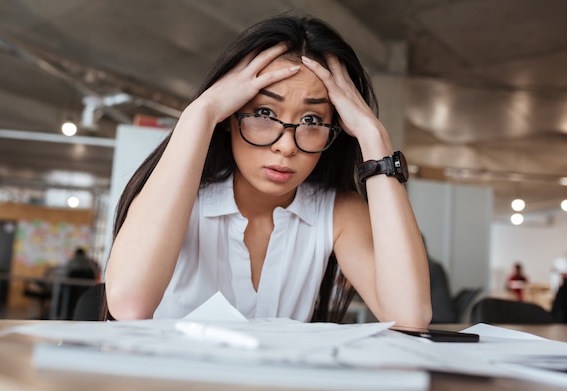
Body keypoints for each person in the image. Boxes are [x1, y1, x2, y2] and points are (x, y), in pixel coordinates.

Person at [104, 13, 431, 327]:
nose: (287, 145)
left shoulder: (337, 213)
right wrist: (200, 113)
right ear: (230, 115)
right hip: (171, 384)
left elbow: (410, 316)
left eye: (312, 120)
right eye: (263, 112)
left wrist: (374, 137)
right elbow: (129, 304)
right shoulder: (183, 200)